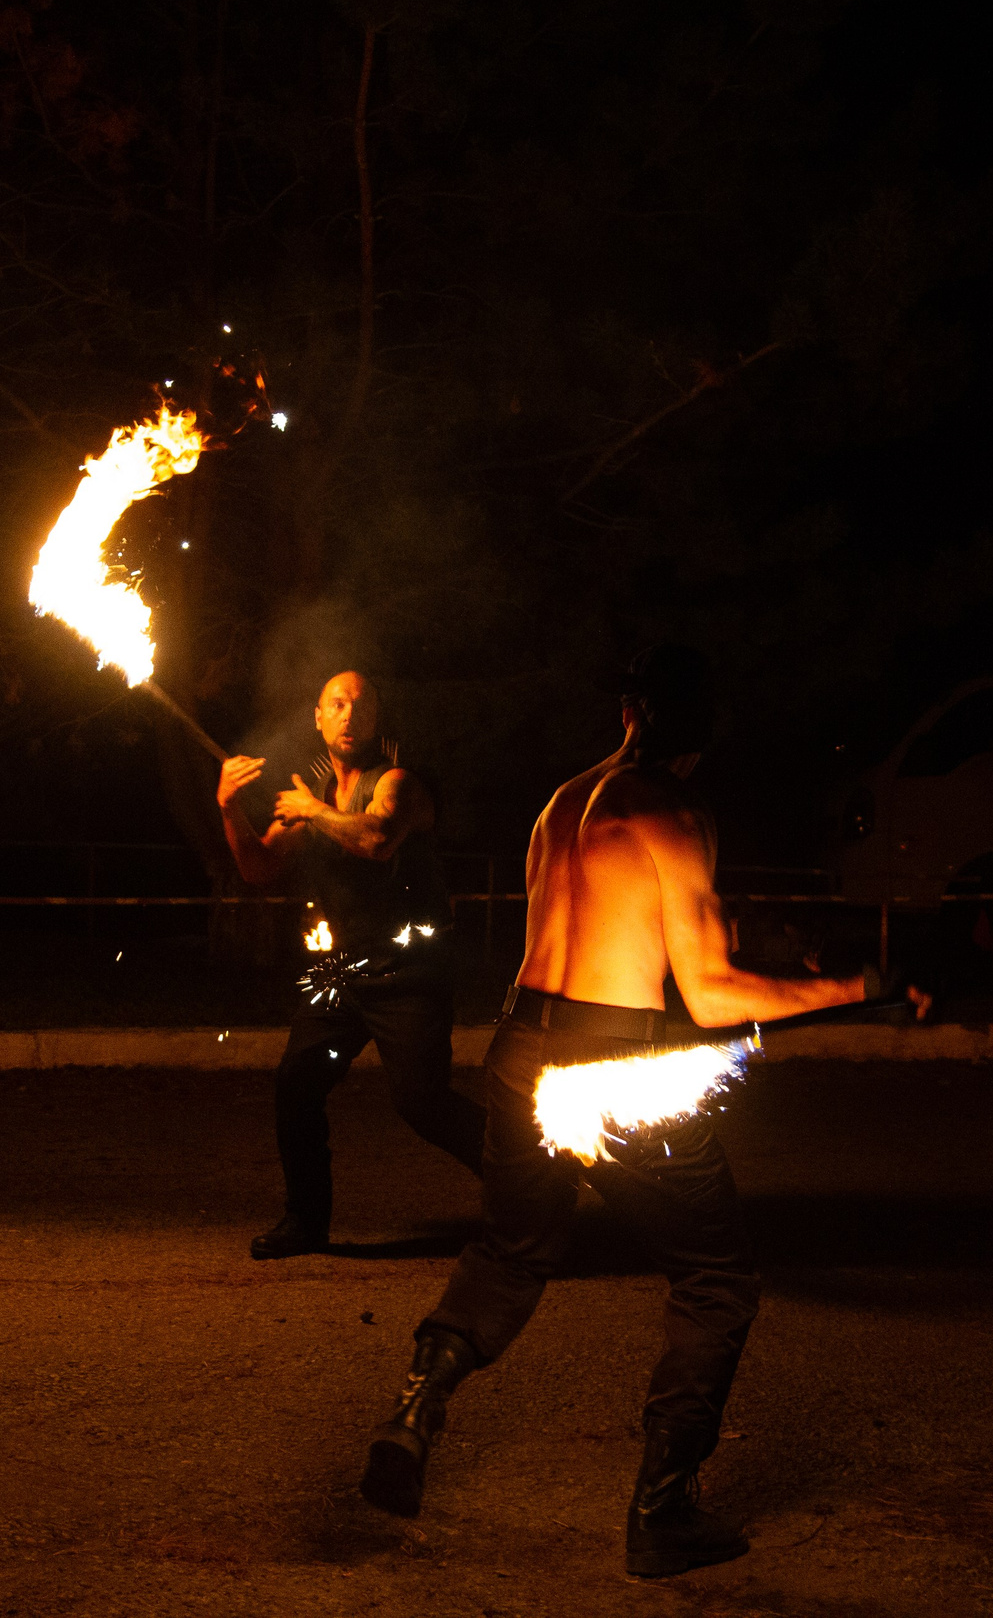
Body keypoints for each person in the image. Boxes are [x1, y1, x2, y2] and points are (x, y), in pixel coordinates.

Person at [356, 646, 865, 1579]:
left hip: (521, 1046)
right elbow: (710, 994)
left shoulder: (560, 803)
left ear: (630, 714)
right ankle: (662, 1510)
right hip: (613, 1060)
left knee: (511, 1251)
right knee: (716, 1277)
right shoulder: (674, 813)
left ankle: (416, 1407)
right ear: (698, 740)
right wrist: (857, 982)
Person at [217, 672, 484, 1260]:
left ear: (376, 720)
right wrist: (229, 807)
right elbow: (259, 869)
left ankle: (533, 1187)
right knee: (296, 1084)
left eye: (360, 707)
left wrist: (313, 811)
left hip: (408, 972)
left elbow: (378, 839)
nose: (347, 716)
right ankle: (305, 1222)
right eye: (336, 705)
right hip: (341, 975)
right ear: (318, 717)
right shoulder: (307, 794)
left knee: (424, 1106)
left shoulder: (399, 783)